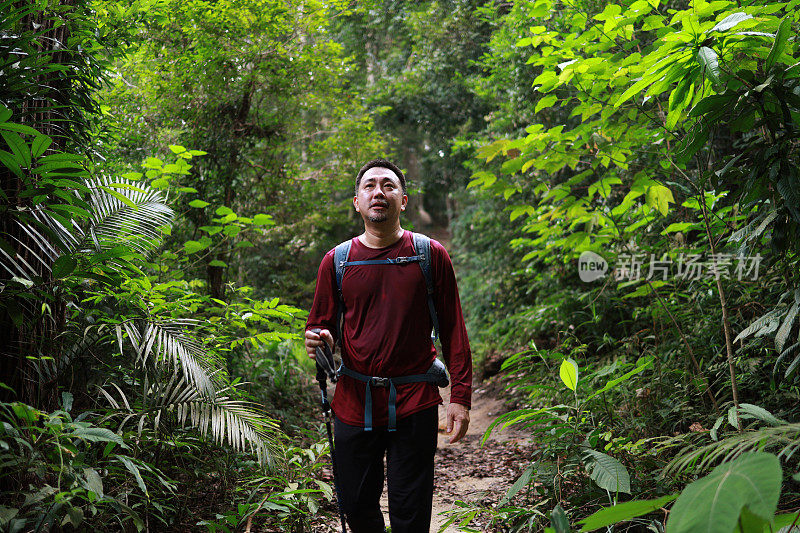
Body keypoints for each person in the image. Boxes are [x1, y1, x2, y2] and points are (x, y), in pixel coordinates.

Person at [304, 158, 472, 533]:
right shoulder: (337, 261)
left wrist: (460, 396)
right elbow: (320, 324)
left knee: (410, 511)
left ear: (404, 200)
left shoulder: (430, 255)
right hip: (353, 400)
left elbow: (454, 330)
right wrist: (318, 339)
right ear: (357, 201)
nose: (379, 192)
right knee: (357, 506)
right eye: (370, 186)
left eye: (389, 185)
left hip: (415, 399)